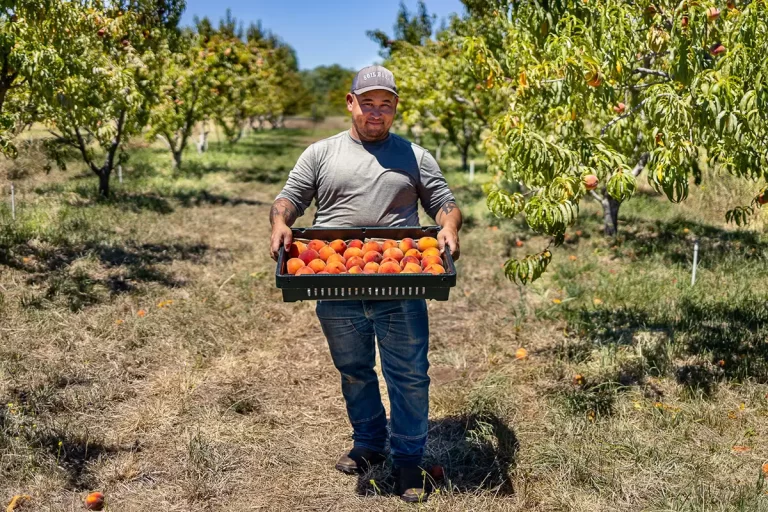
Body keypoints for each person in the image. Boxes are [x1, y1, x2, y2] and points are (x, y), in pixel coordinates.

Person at [269, 65, 462, 503]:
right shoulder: (321, 154)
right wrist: (281, 221)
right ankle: (370, 443)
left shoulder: (415, 155)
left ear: (395, 109)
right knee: (354, 371)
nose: (377, 112)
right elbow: (290, 198)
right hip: (334, 282)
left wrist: (448, 228)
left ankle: (409, 457)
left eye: (386, 105)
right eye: (368, 103)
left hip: (402, 284)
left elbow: (444, 204)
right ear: (350, 103)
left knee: (409, 375)